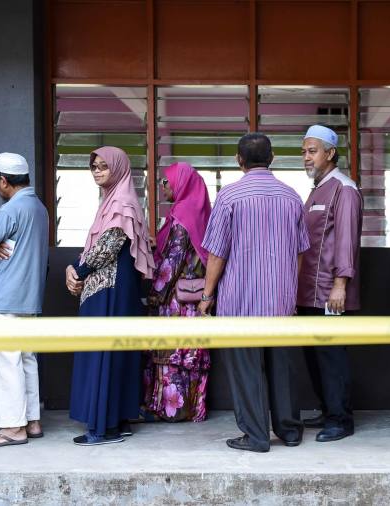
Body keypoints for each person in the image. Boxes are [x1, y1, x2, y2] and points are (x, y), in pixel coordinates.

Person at [198, 133, 310, 453]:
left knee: (246, 367)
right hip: (281, 300)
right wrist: (289, 288)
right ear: (272, 158)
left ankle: (256, 436)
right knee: (282, 366)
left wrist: (207, 296)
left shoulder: (230, 196)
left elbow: (217, 252)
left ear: (239, 160)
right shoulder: (291, 197)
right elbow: (300, 251)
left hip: (240, 300)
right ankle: (289, 431)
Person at [66, 146, 155, 446]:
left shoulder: (123, 200)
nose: (97, 171)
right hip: (110, 289)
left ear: (118, 168)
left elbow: (109, 244)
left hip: (111, 291)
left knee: (105, 354)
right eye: (93, 166)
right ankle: (117, 420)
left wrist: (78, 270)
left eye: (104, 166)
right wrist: (75, 269)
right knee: (113, 355)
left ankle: (104, 428)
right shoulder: (110, 200)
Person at [0, 153, 49, 448]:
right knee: (26, 359)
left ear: (3, 181)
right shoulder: (39, 208)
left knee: (4, 362)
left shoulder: (10, 210)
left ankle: (11, 428)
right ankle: (32, 422)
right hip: (29, 297)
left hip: (3, 298)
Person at [296, 125, 362, 443]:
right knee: (315, 356)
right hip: (308, 292)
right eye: (304, 151)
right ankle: (327, 409)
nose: (306, 157)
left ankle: (340, 419)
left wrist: (340, 285)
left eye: (312, 151)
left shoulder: (343, 189)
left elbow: (346, 241)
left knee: (332, 357)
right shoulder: (316, 189)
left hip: (330, 293)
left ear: (330, 153)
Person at [141, 162, 211, 423]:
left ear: (180, 183)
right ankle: (192, 408)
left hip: (174, 301)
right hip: (194, 301)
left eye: (165, 182)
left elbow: (172, 261)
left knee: (170, 356)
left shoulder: (181, 213)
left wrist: (155, 295)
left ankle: (171, 410)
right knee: (189, 354)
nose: (162, 186)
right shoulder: (197, 210)